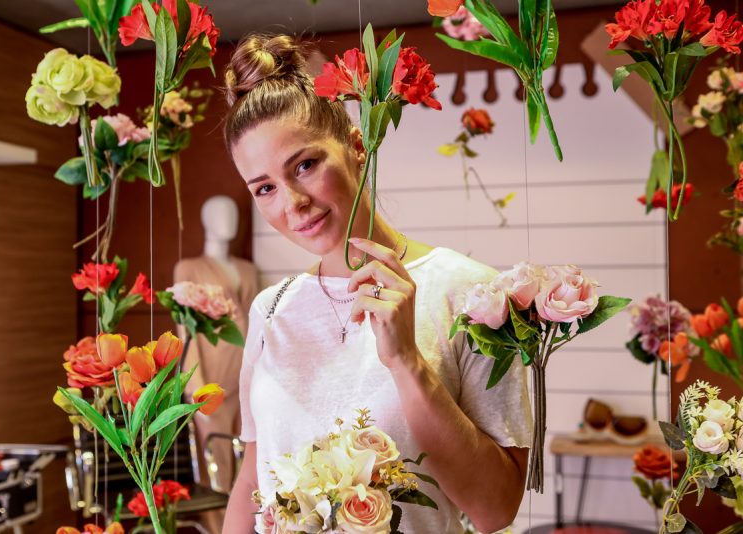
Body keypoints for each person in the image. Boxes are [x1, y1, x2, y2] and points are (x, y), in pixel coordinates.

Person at [220, 34, 532, 534]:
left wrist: (406, 361)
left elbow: (495, 509)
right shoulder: (270, 310)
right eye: (265, 188)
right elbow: (251, 483)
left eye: (305, 165)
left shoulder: (472, 295)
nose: (292, 202)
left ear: (357, 146)